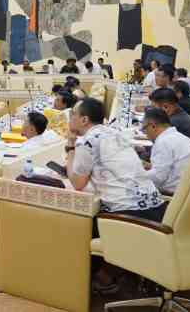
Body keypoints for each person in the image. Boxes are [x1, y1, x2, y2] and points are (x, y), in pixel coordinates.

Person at [64, 98, 165, 292]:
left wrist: (70, 149)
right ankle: (118, 270)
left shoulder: (87, 141)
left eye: (73, 114)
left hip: (130, 217)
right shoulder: (114, 133)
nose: (70, 118)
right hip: (156, 210)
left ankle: (103, 278)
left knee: (77, 224)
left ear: (84, 119)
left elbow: (77, 183)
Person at [141, 107, 190, 195]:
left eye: (144, 129)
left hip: (174, 195)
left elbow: (158, 178)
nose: (146, 134)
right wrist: (149, 167)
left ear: (153, 126)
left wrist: (135, 174)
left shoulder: (163, 142)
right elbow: (169, 167)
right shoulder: (177, 136)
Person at [149, 88, 190, 154]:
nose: (153, 111)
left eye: (154, 108)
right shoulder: (179, 114)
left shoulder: (174, 122)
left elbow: (160, 147)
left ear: (166, 107)